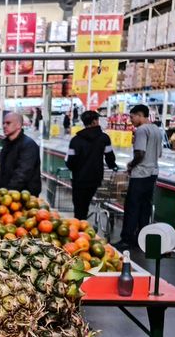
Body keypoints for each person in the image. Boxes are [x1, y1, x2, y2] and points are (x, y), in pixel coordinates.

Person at [115, 104, 163, 251]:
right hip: (153, 174)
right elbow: (159, 153)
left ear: (140, 115)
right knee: (145, 208)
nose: (131, 120)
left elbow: (140, 153)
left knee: (132, 207)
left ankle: (126, 239)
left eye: (132, 116)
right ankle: (141, 239)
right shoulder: (157, 130)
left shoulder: (141, 130)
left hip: (140, 174)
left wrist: (131, 165)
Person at [66, 110, 119, 220]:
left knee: (79, 206)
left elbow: (70, 161)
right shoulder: (104, 138)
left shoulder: (75, 140)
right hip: (95, 178)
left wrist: (73, 168)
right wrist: (113, 166)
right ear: (95, 121)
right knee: (86, 202)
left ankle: (80, 225)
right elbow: (109, 156)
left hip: (79, 178)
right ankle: (82, 223)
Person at [0, 112, 42, 195]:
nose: (4, 126)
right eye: (3, 123)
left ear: (19, 125)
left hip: (25, 198)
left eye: (8, 123)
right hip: (7, 197)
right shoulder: (7, 144)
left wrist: (7, 193)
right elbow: (3, 173)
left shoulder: (28, 145)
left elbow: (22, 174)